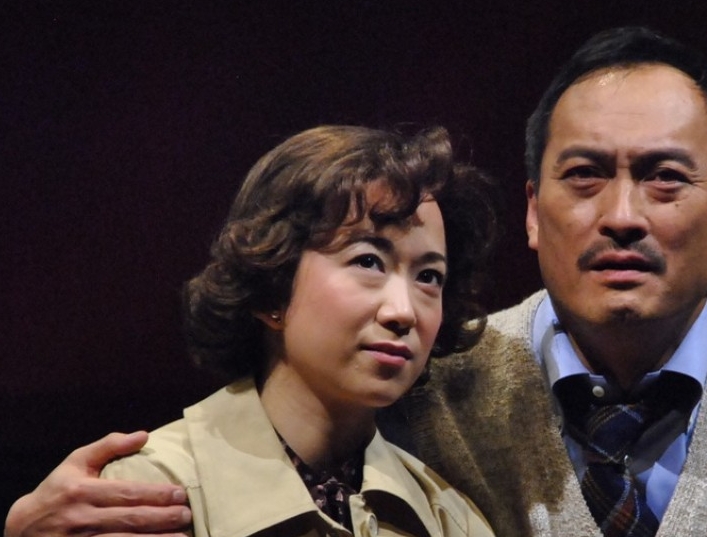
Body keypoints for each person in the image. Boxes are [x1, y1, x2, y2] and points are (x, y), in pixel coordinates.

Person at [5, 26, 707, 537]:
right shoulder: (424, 389)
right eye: (584, 175)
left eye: (665, 178)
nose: (622, 214)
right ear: (533, 213)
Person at [7, 124, 499, 537]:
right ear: (271, 290)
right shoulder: (143, 496)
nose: (404, 310)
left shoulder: (449, 520)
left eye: (429, 276)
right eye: (368, 261)